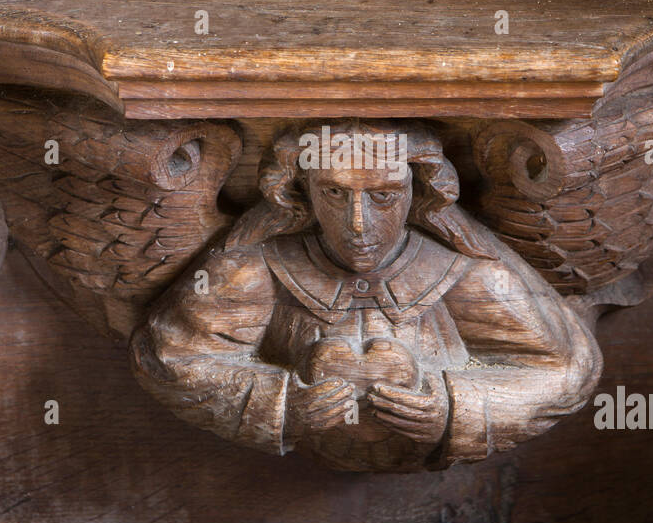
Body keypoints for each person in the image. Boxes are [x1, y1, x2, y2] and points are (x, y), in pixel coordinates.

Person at [131, 120, 602, 472]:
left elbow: (569, 371)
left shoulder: (464, 275)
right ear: (300, 193)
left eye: (384, 195)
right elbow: (167, 359)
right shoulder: (254, 270)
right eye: (335, 193)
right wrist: (282, 406)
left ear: (419, 194)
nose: (359, 223)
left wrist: (453, 409)